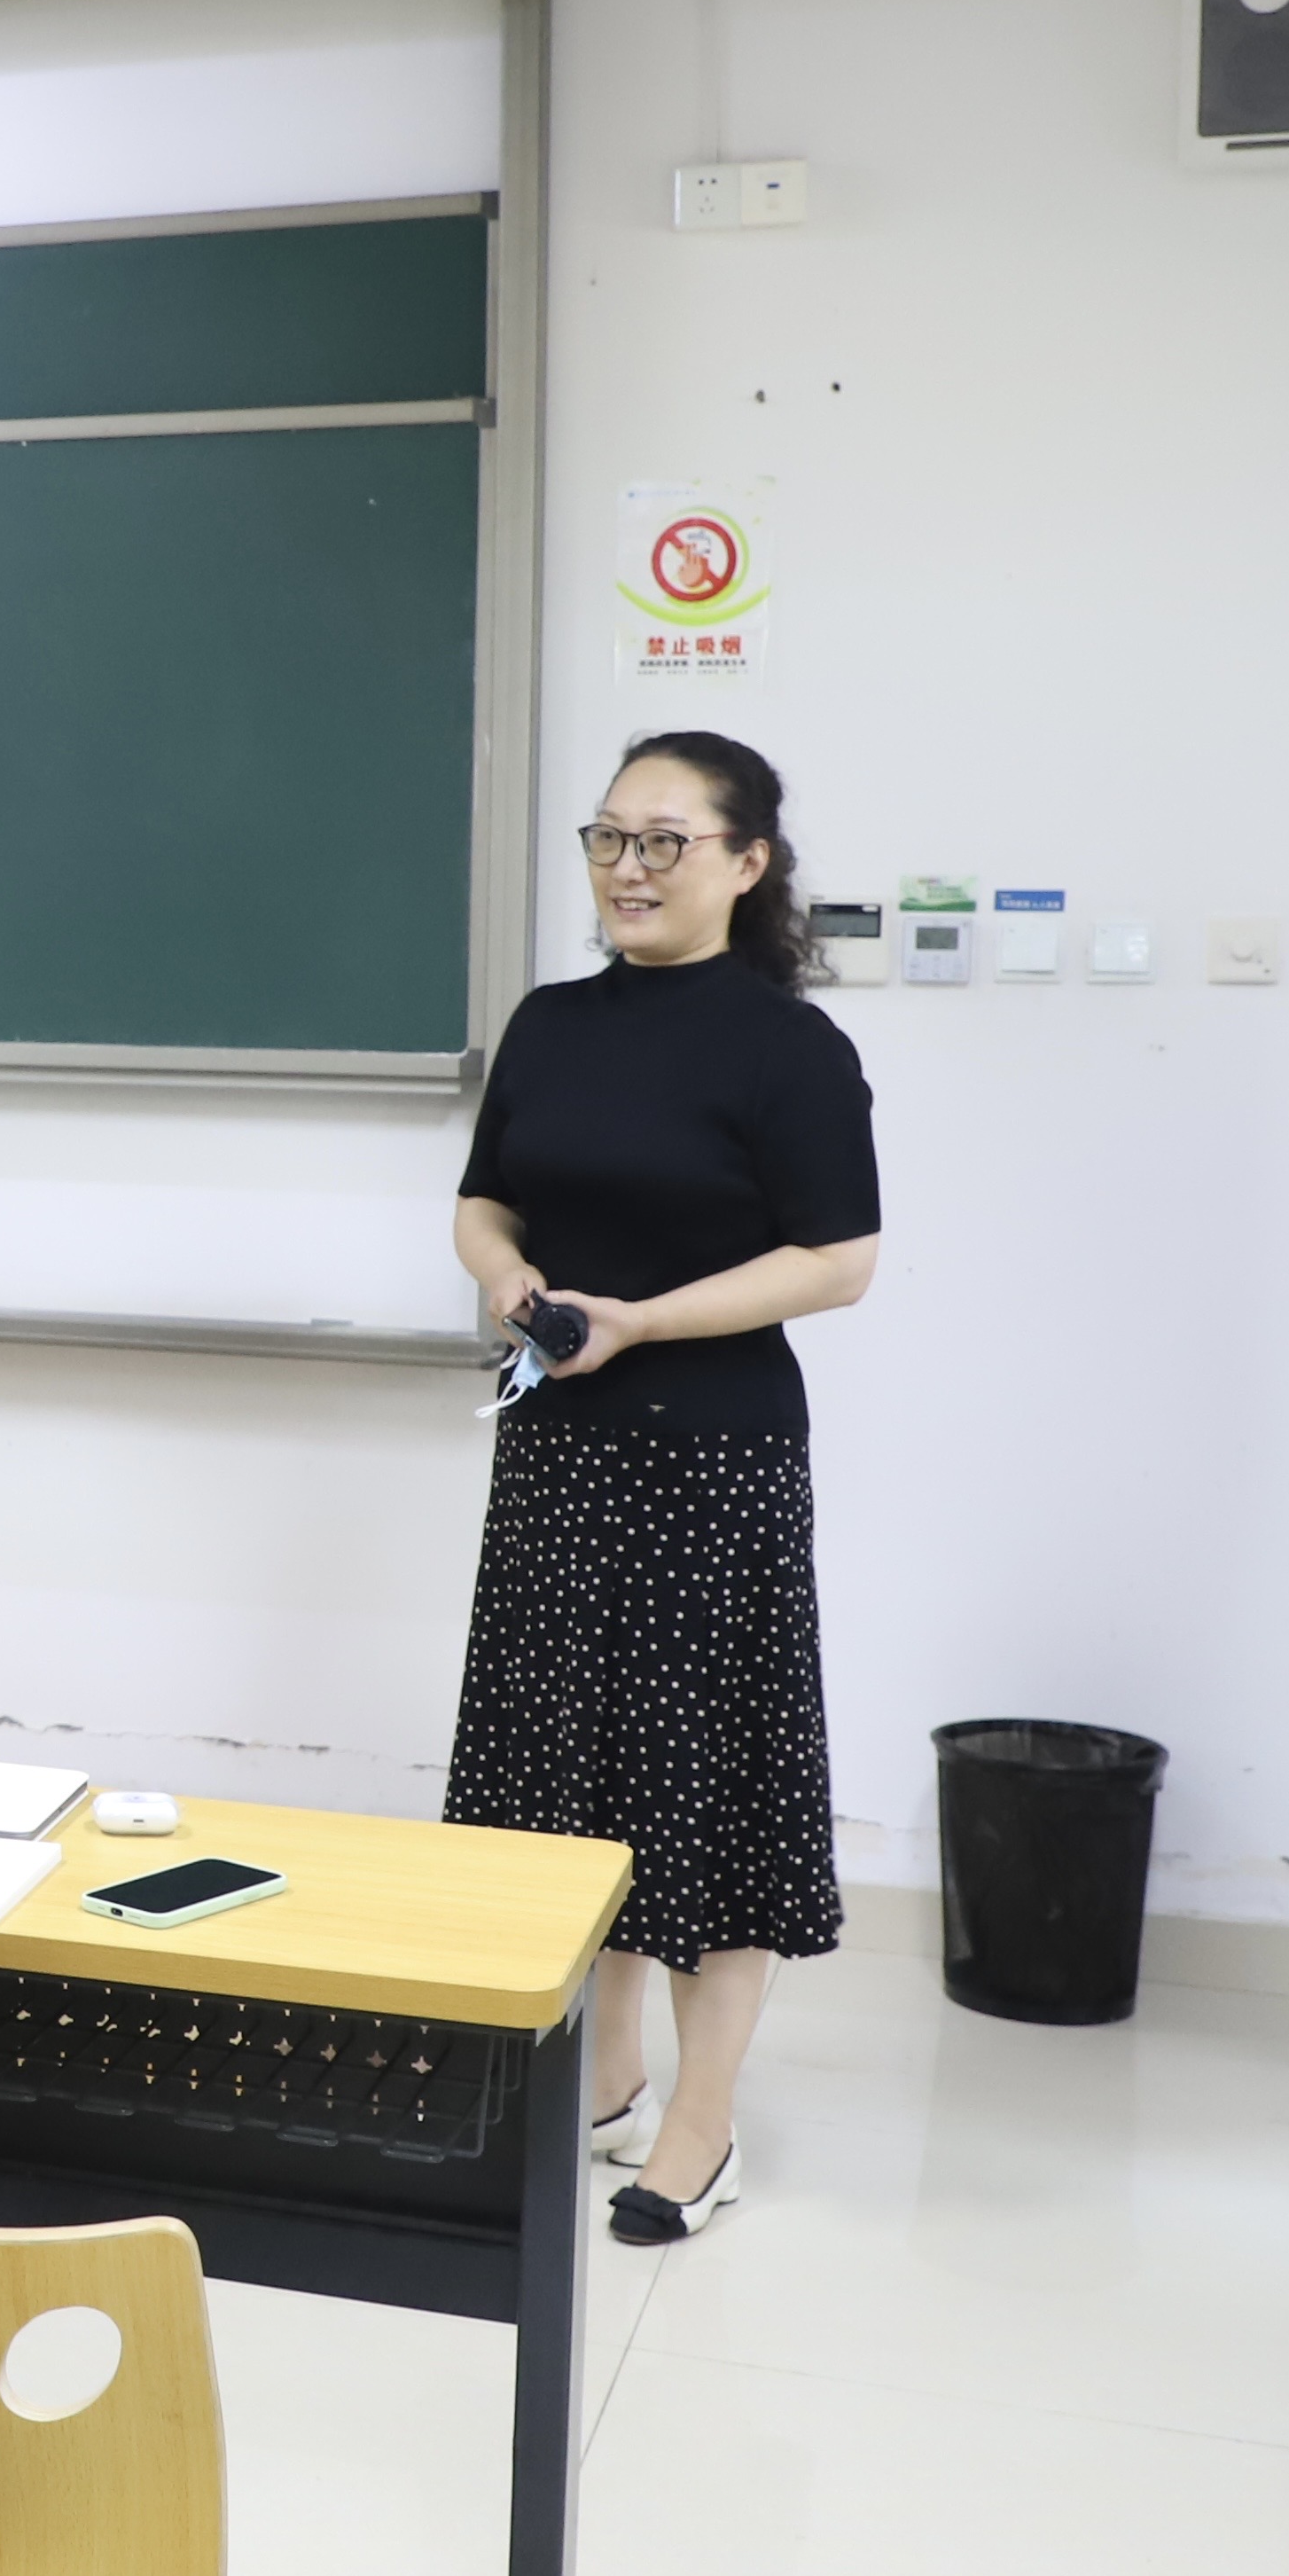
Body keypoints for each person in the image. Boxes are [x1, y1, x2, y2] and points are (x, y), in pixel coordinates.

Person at [448, 730, 879, 2248]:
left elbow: (838, 1260)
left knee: (706, 1792)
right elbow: (484, 1199)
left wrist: (639, 1319)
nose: (626, 869)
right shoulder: (551, 1022)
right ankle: (603, 2074)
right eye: (607, 838)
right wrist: (505, 1276)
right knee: (561, 1776)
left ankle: (701, 2122)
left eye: (663, 842)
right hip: (558, 1451)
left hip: (713, 1461)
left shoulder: (787, 1048)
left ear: (746, 862)